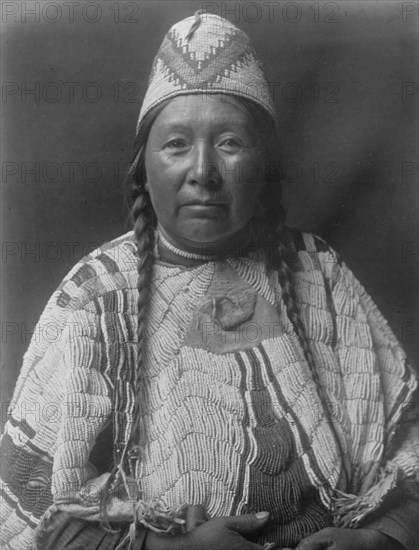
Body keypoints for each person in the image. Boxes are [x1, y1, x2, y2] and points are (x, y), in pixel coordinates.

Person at [0, 10, 417, 550]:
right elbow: (35, 520)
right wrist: (168, 549)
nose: (203, 171)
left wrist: (379, 539)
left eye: (228, 142)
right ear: (143, 170)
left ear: (263, 164)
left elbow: (409, 458)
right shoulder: (96, 298)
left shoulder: (320, 278)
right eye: (176, 144)